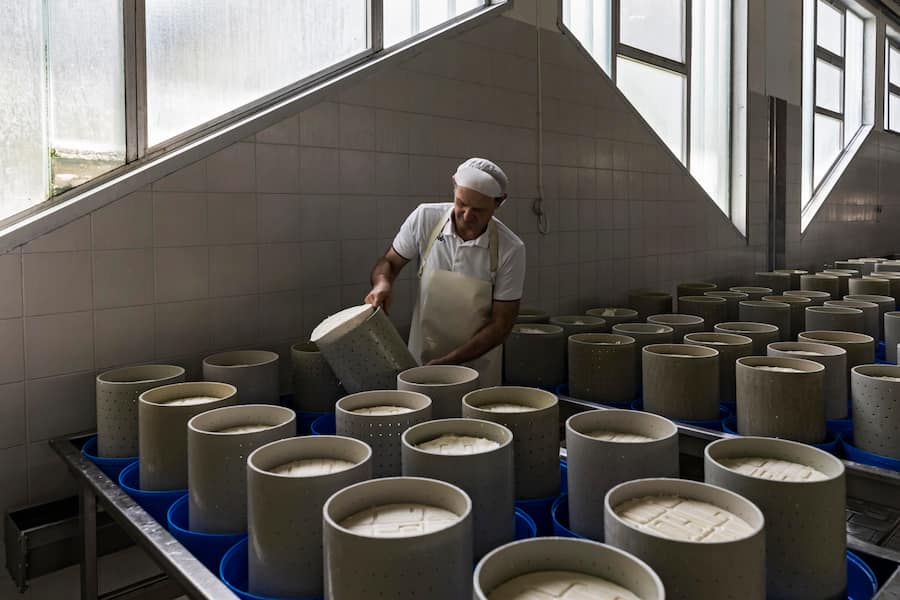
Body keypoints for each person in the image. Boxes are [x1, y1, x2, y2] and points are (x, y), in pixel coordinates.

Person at [365, 157, 526, 387]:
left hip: (477, 368)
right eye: (461, 203)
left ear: (499, 202)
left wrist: (451, 362)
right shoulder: (425, 218)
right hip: (421, 359)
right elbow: (389, 262)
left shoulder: (510, 249)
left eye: (478, 210)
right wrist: (382, 283)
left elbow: (501, 325)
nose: (467, 215)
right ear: (453, 185)